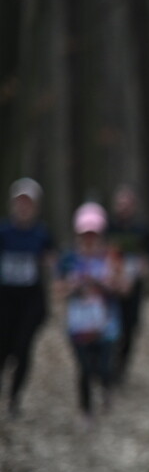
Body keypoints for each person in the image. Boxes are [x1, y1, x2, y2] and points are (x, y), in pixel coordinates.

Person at [57, 202, 127, 423]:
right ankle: (86, 411)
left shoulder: (111, 256)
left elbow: (123, 287)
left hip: (106, 324)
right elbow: (57, 290)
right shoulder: (69, 259)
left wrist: (103, 283)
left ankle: (106, 391)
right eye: (85, 234)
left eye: (93, 234)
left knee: (105, 367)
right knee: (84, 368)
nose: (89, 239)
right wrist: (74, 286)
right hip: (78, 324)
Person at [0, 179, 57, 419]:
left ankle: (14, 399)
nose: (23, 207)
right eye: (20, 202)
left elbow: (52, 263)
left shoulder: (42, 234)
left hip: (30, 301)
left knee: (23, 349)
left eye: (28, 203)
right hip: (4, 299)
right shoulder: (3, 231)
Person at [106, 184, 149, 384]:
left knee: (129, 330)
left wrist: (140, 273)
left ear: (134, 206)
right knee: (109, 330)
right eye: (120, 204)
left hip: (133, 288)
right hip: (109, 287)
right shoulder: (107, 228)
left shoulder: (143, 230)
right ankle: (105, 367)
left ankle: (121, 368)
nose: (123, 208)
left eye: (127, 204)